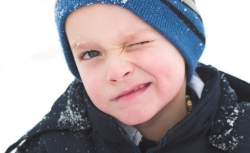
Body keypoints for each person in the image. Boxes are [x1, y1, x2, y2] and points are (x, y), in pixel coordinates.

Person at [6, 0, 250, 153]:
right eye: (91, 53)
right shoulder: (51, 146)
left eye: (138, 43)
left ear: (183, 45)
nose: (115, 71)